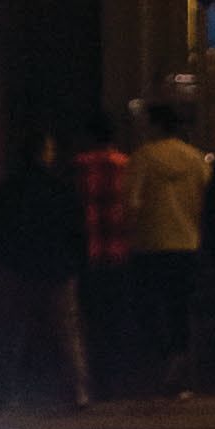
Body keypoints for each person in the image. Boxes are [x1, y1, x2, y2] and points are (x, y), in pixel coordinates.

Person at [0, 133, 91, 408]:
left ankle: (8, 393)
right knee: (67, 332)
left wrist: (6, 259)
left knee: (13, 333)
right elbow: (76, 230)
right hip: (57, 268)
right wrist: (76, 263)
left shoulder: (11, 189)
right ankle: (76, 391)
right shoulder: (61, 188)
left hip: (20, 267)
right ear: (47, 153)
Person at [128, 101, 210, 396]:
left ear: (156, 125)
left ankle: (159, 364)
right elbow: (206, 203)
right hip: (187, 243)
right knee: (180, 308)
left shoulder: (144, 158)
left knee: (148, 309)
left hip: (150, 245)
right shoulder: (196, 159)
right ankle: (179, 370)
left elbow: (132, 204)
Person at [72, 113, 133, 397]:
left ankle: (94, 380)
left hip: (88, 252)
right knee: (117, 319)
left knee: (90, 320)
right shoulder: (126, 165)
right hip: (120, 251)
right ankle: (117, 380)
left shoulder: (80, 166)